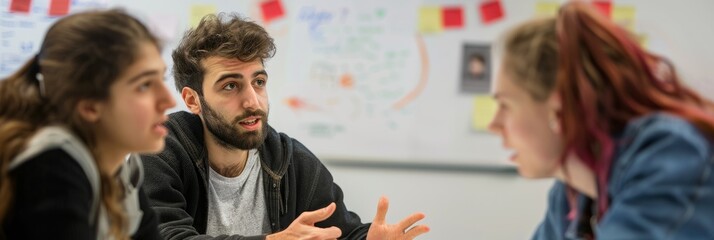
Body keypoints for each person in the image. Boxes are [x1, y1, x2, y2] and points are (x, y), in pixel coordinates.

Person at [140, 13, 429, 240]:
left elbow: (339, 232)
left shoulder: (289, 160)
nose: (253, 101)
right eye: (231, 86)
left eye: (259, 82)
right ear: (193, 100)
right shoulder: (159, 150)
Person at [488, 2, 714, 239]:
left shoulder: (673, 152)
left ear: (559, 106)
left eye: (505, 105)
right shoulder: (572, 191)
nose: (493, 125)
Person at [0, 9, 176, 239]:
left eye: (161, 79)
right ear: (90, 106)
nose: (169, 100)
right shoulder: (50, 165)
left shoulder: (123, 168)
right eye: (144, 85)